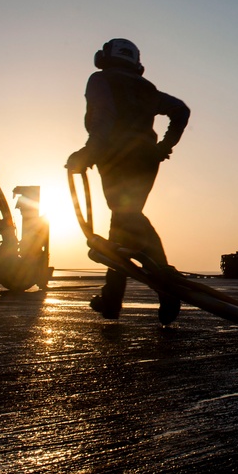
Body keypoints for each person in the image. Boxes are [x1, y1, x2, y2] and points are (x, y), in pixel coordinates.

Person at [66, 38, 191, 325]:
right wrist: (164, 147)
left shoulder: (100, 79)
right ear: (137, 64)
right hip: (146, 159)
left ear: (103, 57)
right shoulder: (146, 89)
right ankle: (112, 300)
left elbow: (104, 118)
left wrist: (88, 151)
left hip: (117, 157)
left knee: (127, 216)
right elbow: (181, 111)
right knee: (121, 224)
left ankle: (166, 283)